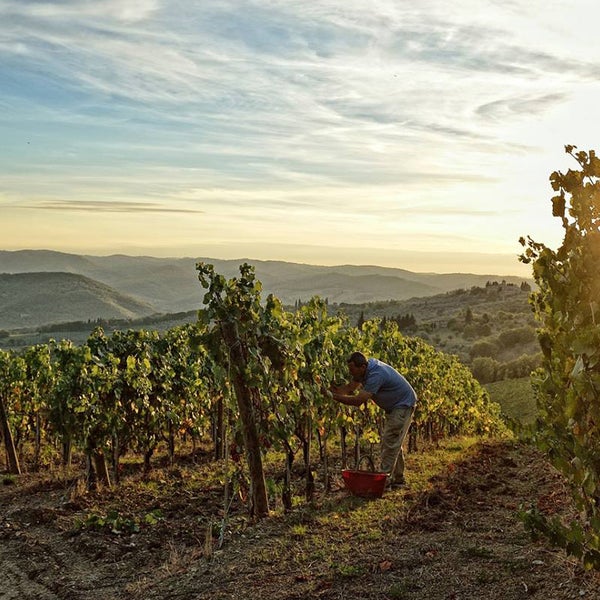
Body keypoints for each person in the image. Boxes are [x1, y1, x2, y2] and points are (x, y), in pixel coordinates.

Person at [331, 351, 417, 488]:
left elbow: (358, 401)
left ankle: (383, 482)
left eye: (352, 370)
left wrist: (333, 397)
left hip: (402, 405)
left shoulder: (376, 375)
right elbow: (350, 388)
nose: (351, 374)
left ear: (363, 367)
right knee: (394, 442)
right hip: (396, 407)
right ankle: (398, 480)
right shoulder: (364, 370)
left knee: (389, 441)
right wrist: (331, 390)